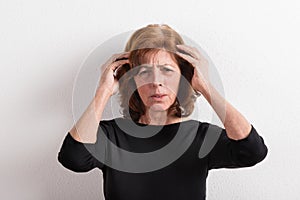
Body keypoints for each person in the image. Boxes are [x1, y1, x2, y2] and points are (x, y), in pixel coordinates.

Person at [57, 24, 268, 200]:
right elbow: (73, 159)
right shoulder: (110, 135)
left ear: (183, 77)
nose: (156, 83)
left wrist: (205, 87)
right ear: (132, 79)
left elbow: (252, 152)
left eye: (167, 70)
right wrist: (103, 91)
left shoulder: (200, 137)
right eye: (144, 72)